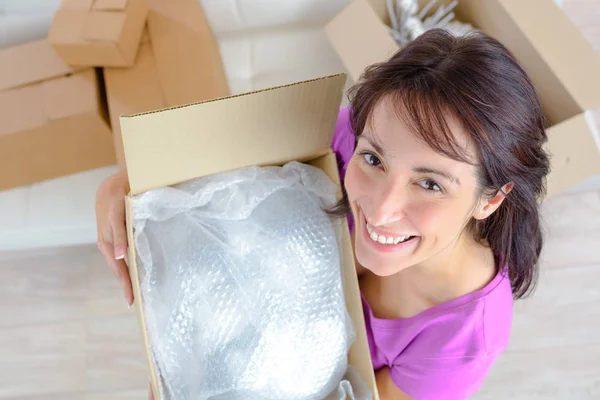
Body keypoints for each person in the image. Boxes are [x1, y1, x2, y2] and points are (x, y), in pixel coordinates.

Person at [95, 29, 550, 399]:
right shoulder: (356, 136)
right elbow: (206, 166)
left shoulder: (462, 340)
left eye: (430, 184)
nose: (382, 208)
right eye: (374, 160)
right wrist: (121, 186)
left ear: (490, 199)